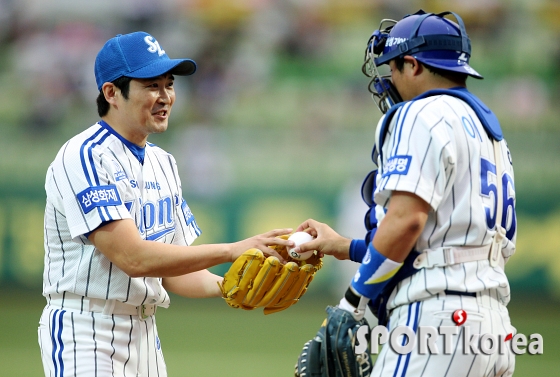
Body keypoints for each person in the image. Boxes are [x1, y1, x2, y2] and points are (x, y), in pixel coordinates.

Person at [38, 31, 294, 377]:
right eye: (151, 85)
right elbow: (134, 257)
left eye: (169, 84)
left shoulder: (163, 162)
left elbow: (174, 273)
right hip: (85, 330)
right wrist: (234, 250)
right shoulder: (84, 156)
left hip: (144, 334)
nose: (165, 97)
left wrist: (232, 286)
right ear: (112, 93)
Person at [294, 10, 517, 376]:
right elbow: (435, 245)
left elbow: (407, 222)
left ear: (412, 65)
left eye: (393, 67)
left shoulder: (421, 113)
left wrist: (352, 304)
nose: (389, 79)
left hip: (437, 321)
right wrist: (346, 246)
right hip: (494, 329)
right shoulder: (489, 133)